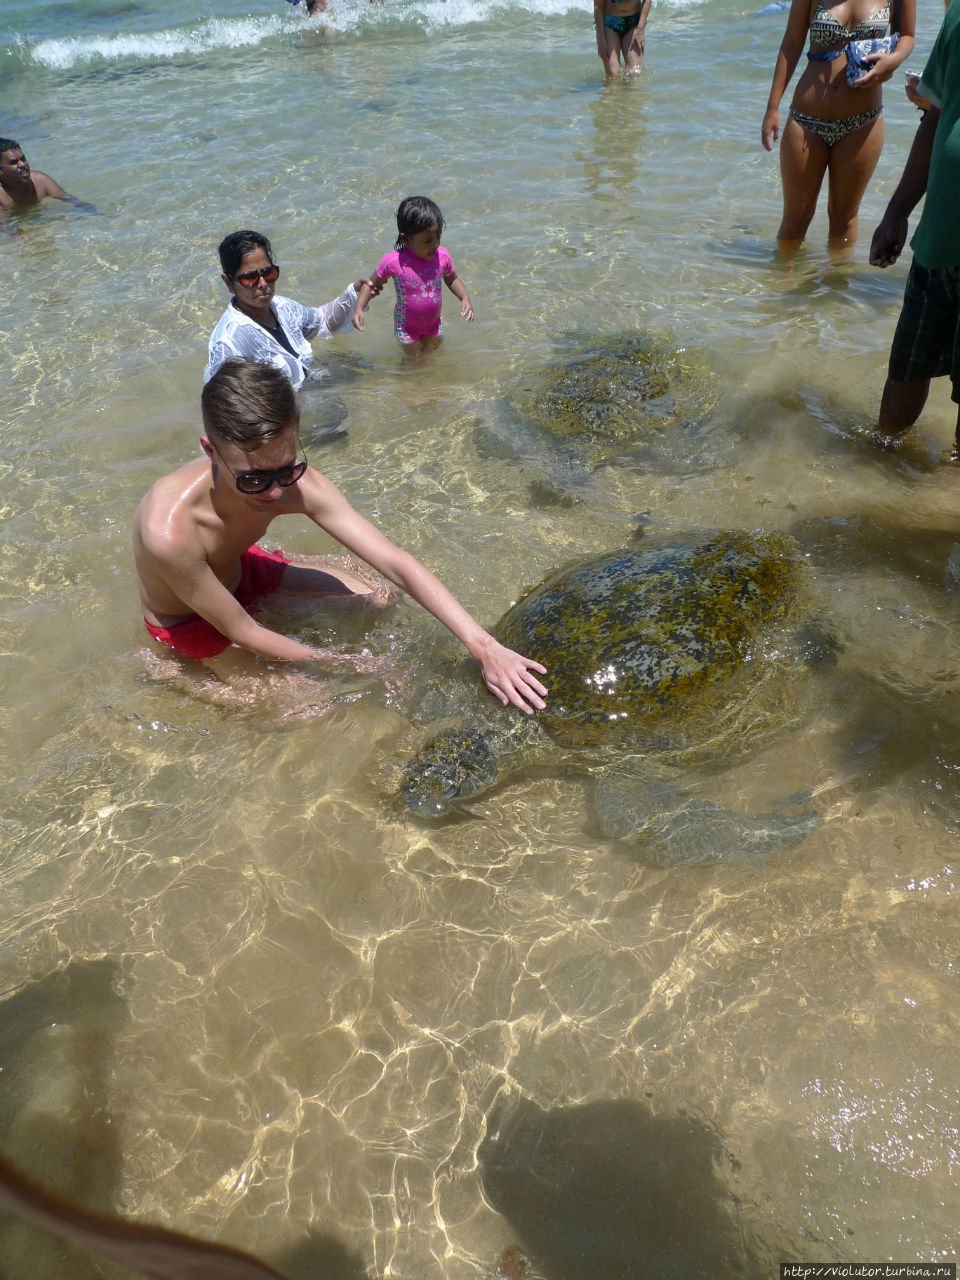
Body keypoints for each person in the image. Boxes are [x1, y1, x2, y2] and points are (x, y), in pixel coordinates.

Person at [134, 359, 548, 712]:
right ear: (211, 451)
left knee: (381, 596)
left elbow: (395, 562)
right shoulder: (169, 533)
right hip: (190, 621)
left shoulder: (293, 482)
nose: (277, 492)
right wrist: (354, 664)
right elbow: (242, 631)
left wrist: (484, 646)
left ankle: (281, 569)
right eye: (254, 479)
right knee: (310, 707)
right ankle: (170, 670)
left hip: (241, 570)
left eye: (286, 468)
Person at [870, 0, 960, 445]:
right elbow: (938, 112)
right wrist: (896, 211)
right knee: (900, 391)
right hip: (938, 237)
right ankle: (878, 490)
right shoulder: (959, 14)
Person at [761, 0, 915, 248]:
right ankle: (781, 283)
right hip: (806, 120)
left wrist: (894, 60)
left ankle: (836, 285)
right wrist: (772, 107)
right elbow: (791, 45)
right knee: (795, 219)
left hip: (863, 122)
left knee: (844, 220)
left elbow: (907, 35)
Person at [205, 229, 378, 390]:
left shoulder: (282, 307)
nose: (263, 284)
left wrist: (354, 295)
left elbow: (321, 320)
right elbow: (225, 405)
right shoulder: (229, 342)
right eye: (250, 278)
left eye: (268, 273)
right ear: (228, 282)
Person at [351, 196, 473, 355]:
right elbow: (371, 283)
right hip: (406, 327)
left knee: (433, 353)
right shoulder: (394, 262)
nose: (435, 244)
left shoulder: (442, 257)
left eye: (438, 237)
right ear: (406, 239)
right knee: (413, 361)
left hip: (433, 323)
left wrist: (465, 298)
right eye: (428, 240)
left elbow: (452, 279)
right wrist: (359, 308)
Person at [0, 139, 97, 216]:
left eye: (23, 159)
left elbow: (71, 200)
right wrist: (15, 233)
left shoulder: (40, 181)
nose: (22, 164)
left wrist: (95, 213)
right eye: (13, 162)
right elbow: (3, 224)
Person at [593, 0, 652, 78]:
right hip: (610, 22)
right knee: (613, 74)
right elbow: (598, 6)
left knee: (634, 74)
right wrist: (600, 39)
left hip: (633, 23)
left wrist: (640, 29)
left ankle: (626, 90)